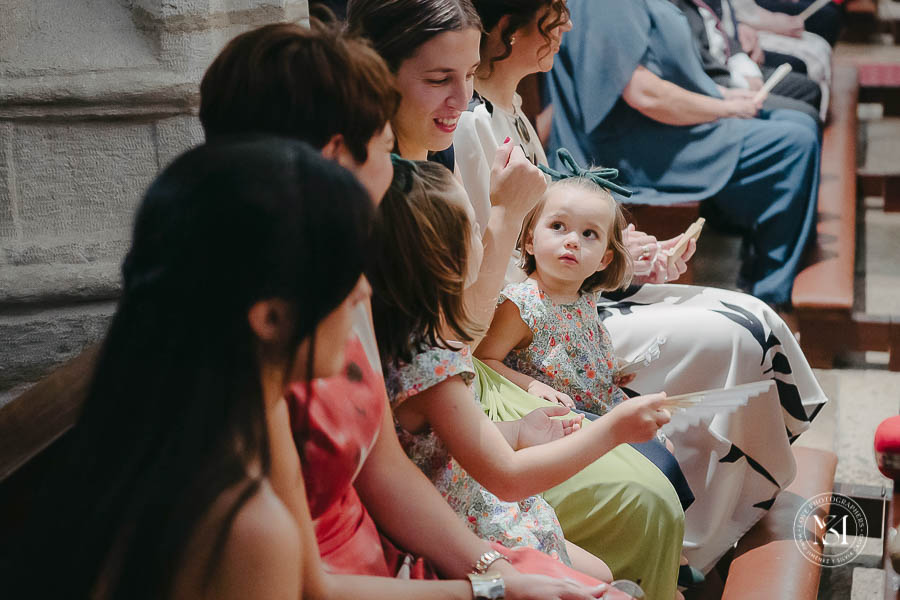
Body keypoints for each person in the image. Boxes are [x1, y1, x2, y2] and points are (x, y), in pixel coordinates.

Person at [198, 22, 614, 600]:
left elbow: (386, 465)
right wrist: (490, 588)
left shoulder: (337, 276)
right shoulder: (271, 333)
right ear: (334, 155)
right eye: (383, 140)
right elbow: (309, 581)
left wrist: (493, 571)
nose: (395, 157)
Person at [453, 0, 828, 574]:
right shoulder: (473, 126)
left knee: (749, 317)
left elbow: (554, 224)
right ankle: (699, 532)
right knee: (735, 339)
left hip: (574, 292)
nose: (568, 26)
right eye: (553, 18)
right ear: (505, 30)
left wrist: (624, 257)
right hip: (536, 315)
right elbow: (499, 264)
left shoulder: (515, 112)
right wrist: (596, 264)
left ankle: (724, 515)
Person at [5, 137, 374, 600]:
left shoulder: (152, 433)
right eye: (344, 273)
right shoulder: (248, 530)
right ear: (270, 318)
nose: (363, 290)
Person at [371, 158, 685, 599]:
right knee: (606, 577)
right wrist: (614, 430)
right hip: (472, 520)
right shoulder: (432, 366)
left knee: (602, 570)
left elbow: (432, 446)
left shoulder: (423, 346)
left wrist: (518, 430)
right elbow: (508, 478)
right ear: (445, 258)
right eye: (474, 230)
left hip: (481, 502)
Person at [549, 0, 822, 306]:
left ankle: (765, 272)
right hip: (632, 145)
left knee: (801, 123)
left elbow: (668, 72)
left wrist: (725, 95)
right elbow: (643, 92)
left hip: (659, 127)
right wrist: (724, 108)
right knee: (794, 143)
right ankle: (771, 295)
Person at [474, 177, 635, 415]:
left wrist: (612, 367)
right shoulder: (523, 306)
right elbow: (482, 359)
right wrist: (531, 385)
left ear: (604, 259)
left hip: (604, 407)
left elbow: (576, 355)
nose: (572, 241)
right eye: (558, 226)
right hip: (560, 419)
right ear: (530, 241)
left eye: (589, 233)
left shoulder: (586, 297)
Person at [669, 0, 823, 123]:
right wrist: (742, 82)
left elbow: (721, 29)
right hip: (717, 85)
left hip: (732, 63)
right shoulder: (670, 9)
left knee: (809, 89)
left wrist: (748, 69)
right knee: (806, 119)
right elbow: (697, 69)